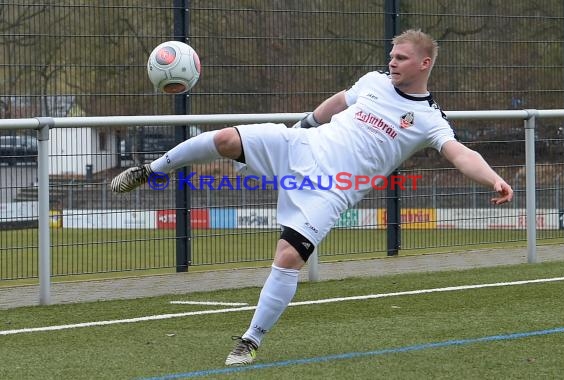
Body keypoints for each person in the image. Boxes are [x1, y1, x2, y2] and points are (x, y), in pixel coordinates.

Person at [110, 29, 513, 365]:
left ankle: (250, 340)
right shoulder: (373, 82)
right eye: (391, 56)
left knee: (288, 257)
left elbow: (461, 153)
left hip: (330, 189)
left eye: (402, 58)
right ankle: (151, 170)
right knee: (224, 138)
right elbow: (341, 100)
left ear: (424, 64)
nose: (392, 63)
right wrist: (305, 122)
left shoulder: (428, 118)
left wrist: (493, 179)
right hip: (300, 145)